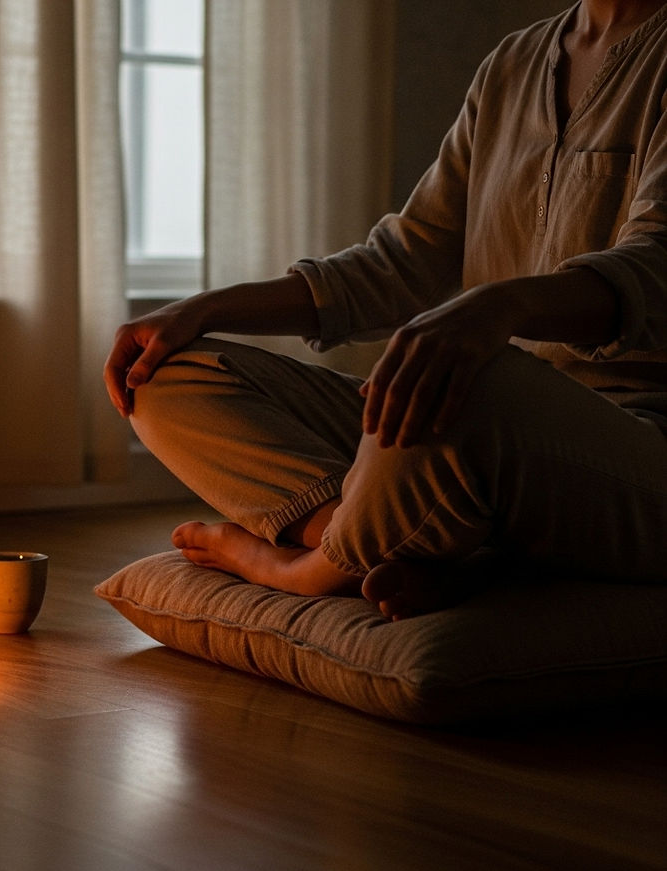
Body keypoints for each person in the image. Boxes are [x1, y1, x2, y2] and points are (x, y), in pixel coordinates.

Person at [104, 0, 667, 620]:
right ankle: (423, 547)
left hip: (632, 444)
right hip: (463, 426)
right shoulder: (514, 62)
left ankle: (306, 568)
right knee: (164, 377)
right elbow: (398, 264)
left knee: (465, 382)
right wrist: (203, 310)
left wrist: (493, 310)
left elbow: (655, 266)